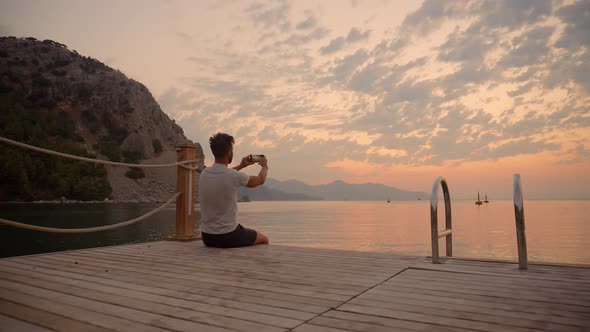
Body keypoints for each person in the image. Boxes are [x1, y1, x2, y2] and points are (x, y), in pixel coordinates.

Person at [198, 132, 269, 248]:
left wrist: (241, 166)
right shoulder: (233, 176)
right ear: (229, 152)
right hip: (228, 236)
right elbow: (260, 180)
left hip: (207, 237)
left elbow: (223, 174)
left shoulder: (204, 174)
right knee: (264, 239)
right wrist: (264, 165)